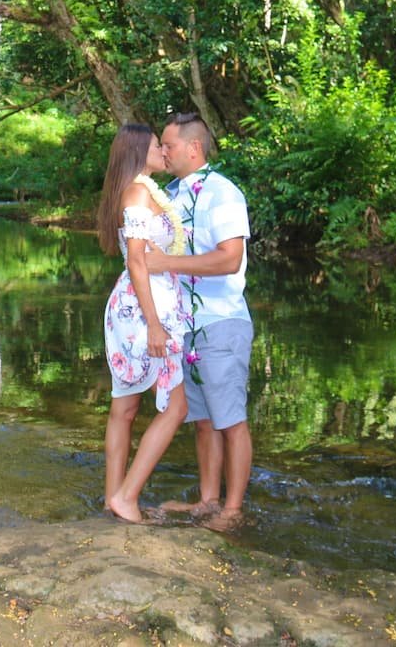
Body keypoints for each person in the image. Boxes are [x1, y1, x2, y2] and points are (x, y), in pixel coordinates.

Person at [145, 112, 253, 530]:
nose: (163, 152)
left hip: (220, 322)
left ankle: (233, 511)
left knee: (231, 421)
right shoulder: (169, 195)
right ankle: (208, 501)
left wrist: (165, 263)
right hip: (182, 326)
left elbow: (230, 259)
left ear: (194, 148)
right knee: (203, 421)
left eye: (168, 145)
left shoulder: (223, 193)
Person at [97, 123, 191, 523]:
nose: (164, 152)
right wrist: (154, 324)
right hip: (144, 309)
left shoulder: (141, 190)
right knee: (176, 407)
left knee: (125, 407)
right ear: (138, 151)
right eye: (157, 146)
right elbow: (136, 259)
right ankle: (127, 497)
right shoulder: (137, 193)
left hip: (142, 303)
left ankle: (112, 498)